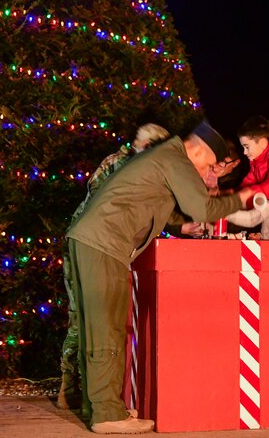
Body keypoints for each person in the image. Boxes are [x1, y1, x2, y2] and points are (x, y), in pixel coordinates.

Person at [65, 120, 254, 434]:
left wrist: (181, 227)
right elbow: (202, 207)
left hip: (94, 241)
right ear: (198, 150)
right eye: (208, 164)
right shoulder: (175, 158)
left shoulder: (165, 157)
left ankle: (100, 406)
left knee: (98, 327)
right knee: (107, 327)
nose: (206, 172)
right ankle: (107, 415)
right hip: (105, 243)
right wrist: (242, 197)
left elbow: (154, 202)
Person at [57, 123, 171, 411]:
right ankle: (74, 389)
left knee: (88, 318)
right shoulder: (119, 165)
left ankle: (81, 392)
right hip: (92, 245)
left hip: (95, 243)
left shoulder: (130, 166)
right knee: (86, 318)